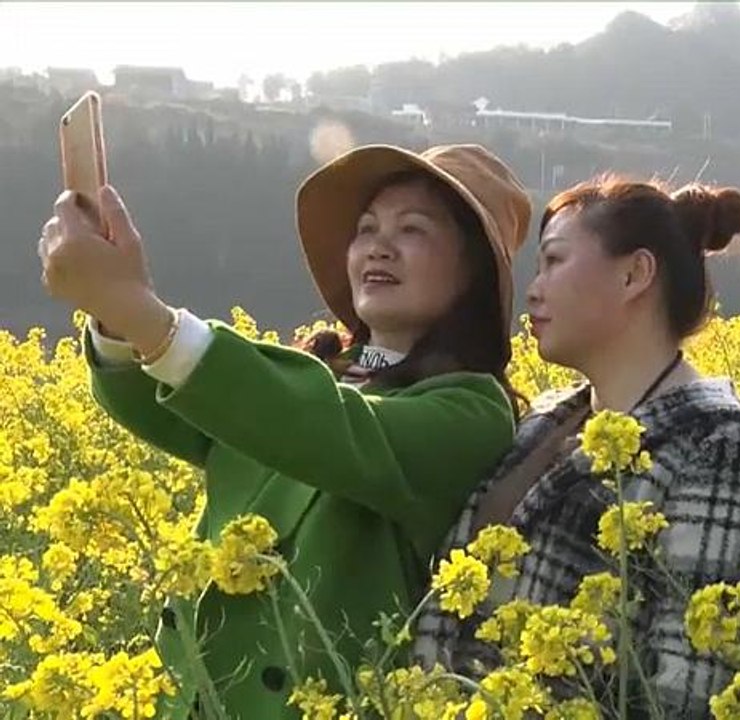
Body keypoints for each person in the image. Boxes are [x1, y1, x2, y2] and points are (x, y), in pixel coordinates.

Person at [37, 143, 531, 717]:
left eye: (412, 230)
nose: (378, 245)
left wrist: (134, 304)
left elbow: (325, 428)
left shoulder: (471, 412)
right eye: (366, 228)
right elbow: (161, 401)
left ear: (472, 270)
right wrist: (113, 314)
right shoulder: (316, 376)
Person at [414, 176, 740, 717]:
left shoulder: (727, 451)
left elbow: (692, 697)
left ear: (634, 274)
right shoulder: (549, 420)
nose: (533, 291)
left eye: (554, 261)